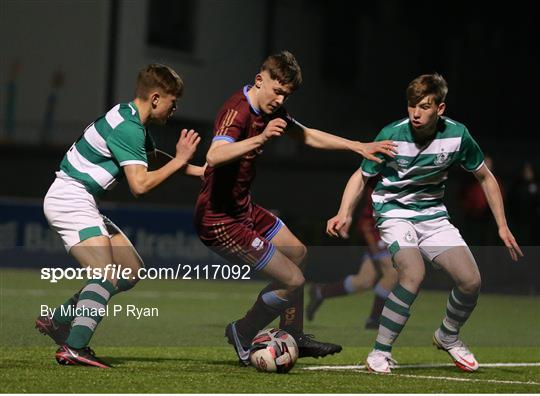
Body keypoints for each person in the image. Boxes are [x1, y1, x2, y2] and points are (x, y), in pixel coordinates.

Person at [194, 50, 397, 365]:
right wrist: (260, 138)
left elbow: (309, 135)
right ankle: (242, 331)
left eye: (286, 94)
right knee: (293, 280)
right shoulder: (238, 110)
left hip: (244, 210)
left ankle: (294, 335)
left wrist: (358, 146)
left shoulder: (273, 112)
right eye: (277, 90)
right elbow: (215, 156)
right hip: (219, 220)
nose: (279, 99)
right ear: (260, 79)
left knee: (299, 253)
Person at [326, 73, 523, 373]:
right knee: (413, 273)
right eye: (411, 105)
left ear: (440, 109)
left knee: (471, 282)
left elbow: (485, 176)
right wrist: (345, 212)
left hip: (432, 214)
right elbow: (361, 176)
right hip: (393, 211)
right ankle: (379, 352)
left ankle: (447, 335)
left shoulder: (458, 136)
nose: (416, 113)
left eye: (424, 107)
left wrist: (502, 225)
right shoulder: (392, 135)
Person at [38, 64, 203, 368]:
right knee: (106, 274)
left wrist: (199, 171)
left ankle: (58, 320)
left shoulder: (129, 117)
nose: (175, 108)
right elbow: (140, 185)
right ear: (155, 98)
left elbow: (153, 157)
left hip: (79, 198)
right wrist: (181, 159)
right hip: (70, 198)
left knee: (129, 270)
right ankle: (74, 347)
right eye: (173, 101)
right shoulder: (129, 128)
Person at [306, 177, 398, 329]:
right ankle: (374, 320)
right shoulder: (382, 162)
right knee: (392, 273)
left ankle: (321, 292)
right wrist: (346, 214)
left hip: (395, 228)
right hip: (376, 229)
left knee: (364, 280)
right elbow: (360, 183)